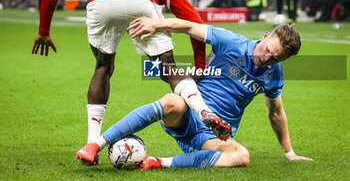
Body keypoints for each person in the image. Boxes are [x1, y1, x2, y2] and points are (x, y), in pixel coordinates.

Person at [31, 0, 230, 164]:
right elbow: (192, 18)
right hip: (141, 0)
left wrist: (44, 32)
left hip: (102, 2)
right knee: (169, 69)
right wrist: (198, 64)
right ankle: (204, 110)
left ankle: (92, 145)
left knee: (102, 68)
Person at [76, 16, 314, 169]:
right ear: (264, 37)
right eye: (268, 49)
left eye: (276, 58)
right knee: (172, 100)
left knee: (241, 156)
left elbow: (276, 112)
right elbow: (190, 26)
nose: (267, 58)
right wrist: (157, 23)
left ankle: (157, 163)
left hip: (212, 137)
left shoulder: (274, 74)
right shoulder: (232, 42)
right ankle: (95, 144)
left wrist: (290, 153)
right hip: (187, 115)